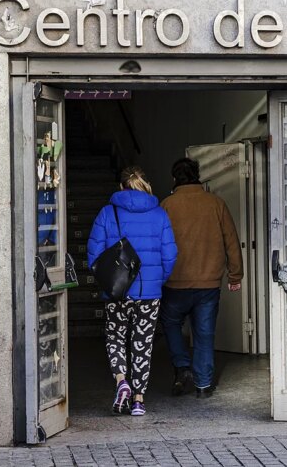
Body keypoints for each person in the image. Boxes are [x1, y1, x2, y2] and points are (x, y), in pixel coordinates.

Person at [87, 166, 177, 416]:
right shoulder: (159, 215)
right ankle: (138, 400)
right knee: (143, 343)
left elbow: (94, 254)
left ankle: (121, 381)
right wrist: (157, 280)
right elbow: (170, 255)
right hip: (149, 294)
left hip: (117, 291)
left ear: (121, 187)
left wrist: (105, 282)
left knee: (115, 336)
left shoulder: (108, 213)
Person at [160, 158, 243, 398]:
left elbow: (158, 243)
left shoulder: (167, 205)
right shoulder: (215, 203)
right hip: (208, 284)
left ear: (174, 179)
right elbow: (231, 241)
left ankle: (182, 367)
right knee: (204, 333)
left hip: (174, 282)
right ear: (198, 175)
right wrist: (235, 274)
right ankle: (203, 385)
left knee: (172, 324)